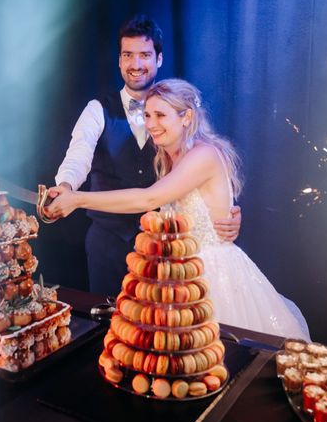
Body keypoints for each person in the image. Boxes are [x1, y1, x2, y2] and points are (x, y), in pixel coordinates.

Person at [47, 79, 310, 340]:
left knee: (216, 354)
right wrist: (68, 186)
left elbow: (149, 199)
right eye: (147, 115)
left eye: (160, 115)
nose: (151, 124)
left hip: (211, 277)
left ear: (187, 117)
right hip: (178, 275)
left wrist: (78, 199)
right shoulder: (170, 158)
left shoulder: (204, 155)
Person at [51, 15, 241, 297]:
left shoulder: (179, 120)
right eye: (128, 55)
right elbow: (78, 155)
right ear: (119, 60)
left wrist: (226, 212)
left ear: (159, 59)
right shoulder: (97, 109)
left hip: (166, 253)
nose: (136, 64)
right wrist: (66, 187)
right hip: (109, 243)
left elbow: (192, 182)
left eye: (144, 55)